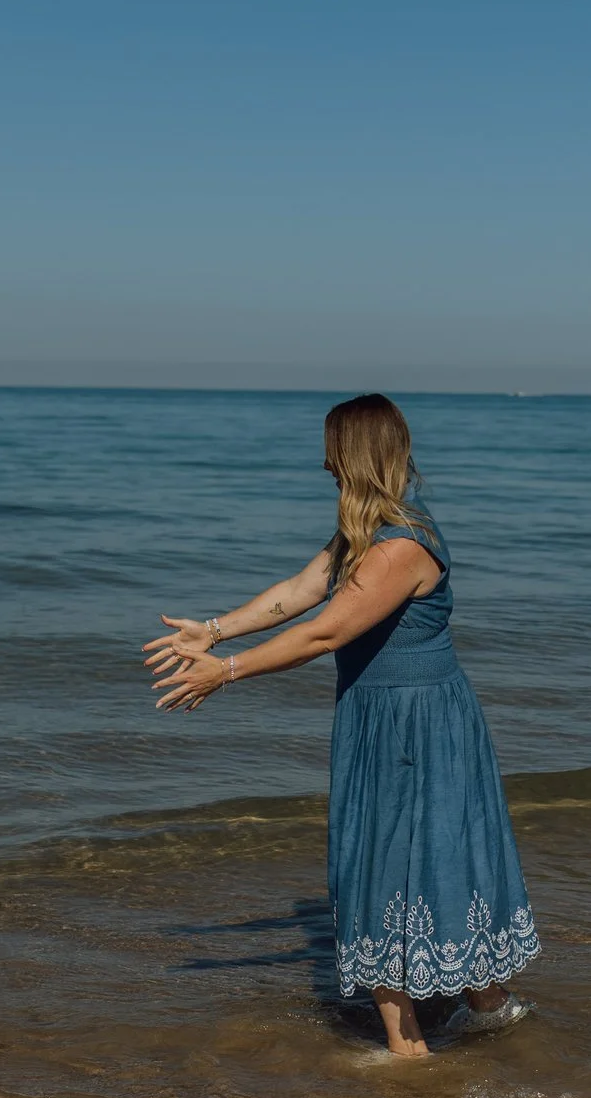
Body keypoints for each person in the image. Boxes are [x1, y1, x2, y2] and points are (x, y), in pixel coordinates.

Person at [147, 394, 539, 1057]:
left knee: (385, 862)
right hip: (389, 713)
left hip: (413, 724)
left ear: (355, 457)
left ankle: (407, 1051)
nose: (324, 463)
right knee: (424, 852)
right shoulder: (370, 531)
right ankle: (489, 1005)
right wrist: (213, 629)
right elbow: (301, 592)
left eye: (332, 451)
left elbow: (323, 632)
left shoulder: (399, 547)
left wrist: (226, 671)